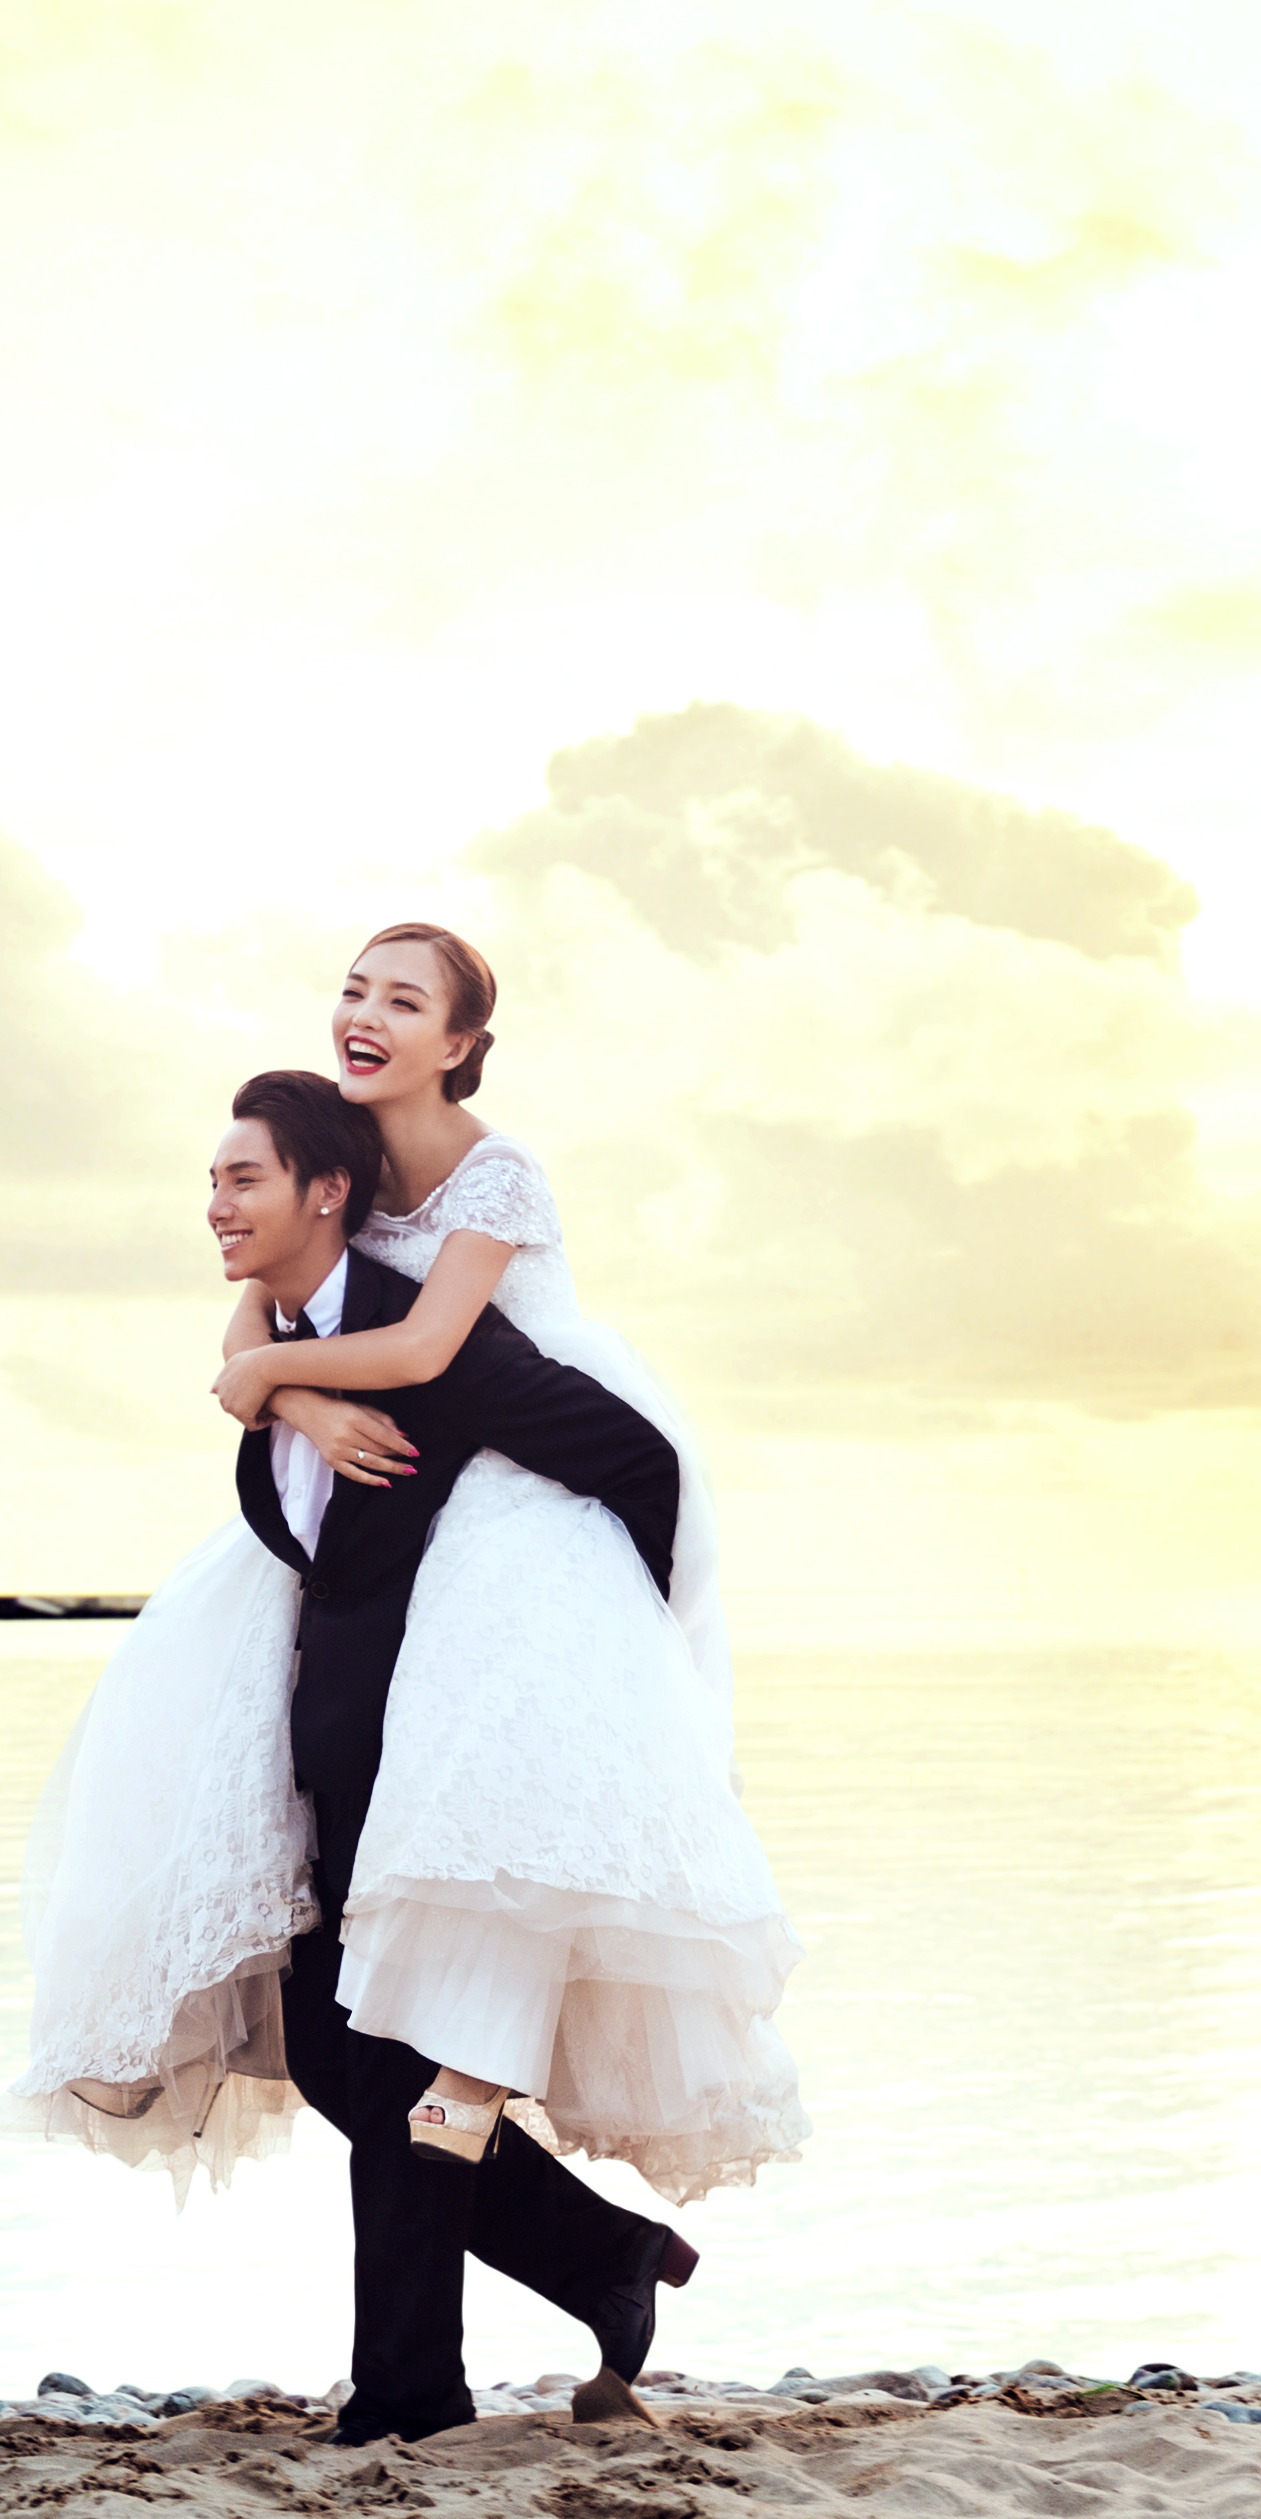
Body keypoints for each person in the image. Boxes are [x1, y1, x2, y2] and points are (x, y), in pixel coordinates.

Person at [13, 1064, 721, 2443]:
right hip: (319, 1726)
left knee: (384, 2047)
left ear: (325, 1191)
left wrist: (583, 1664)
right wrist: (285, 1397)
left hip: (427, 1746)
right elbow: (270, 1430)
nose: (214, 1203)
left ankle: (410, 2390)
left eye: (242, 1178)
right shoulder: (289, 1336)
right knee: (344, 2054)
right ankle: (594, 2263)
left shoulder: (429, 1340)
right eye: (212, 1179)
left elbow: (638, 1462)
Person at [212, 923, 811, 2213]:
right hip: (449, 1474)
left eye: (404, 1001)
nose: (365, 1015)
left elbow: (428, 1346)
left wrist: (266, 1379)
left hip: (562, 1465)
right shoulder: (347, 1171)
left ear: (460, 1045)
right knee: (445, 1730)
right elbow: (262, 1308)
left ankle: (479, 2061)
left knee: (503, 1723)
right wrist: (298, 1401)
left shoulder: (498, 1173)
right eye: (354, 990)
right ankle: (459, 2072)